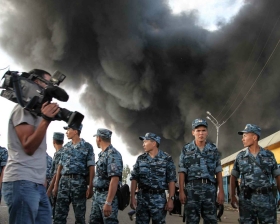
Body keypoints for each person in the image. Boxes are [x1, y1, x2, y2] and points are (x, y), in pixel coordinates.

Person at [1, 69, 60, 224]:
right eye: (46, 84)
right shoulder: (23, 108)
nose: (48, 91)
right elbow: (28, 146)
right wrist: (46, 120)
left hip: (36, 184)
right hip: (22, 181)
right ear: (34, 82)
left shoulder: (36, 112)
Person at [230, 124, 280, 223]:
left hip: (266, 200)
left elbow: (278, 176)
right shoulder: (240, 157)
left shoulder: (269, 155)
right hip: (246, 201)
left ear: (254, 137)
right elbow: (233, 177)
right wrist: (232, 196)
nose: (242, 139)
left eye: (245, 136)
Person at [178, 118, 224, 224]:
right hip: (191, 190)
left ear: (207, 132)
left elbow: (218, 171)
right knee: (192, 221)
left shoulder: (213, 149)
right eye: (198, 130)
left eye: (203, 130)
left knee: (211, 220)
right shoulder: (186, 149)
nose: (201, 133)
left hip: (210, 190)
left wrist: (221, 190)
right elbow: (182, 171)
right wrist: (181, 190)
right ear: (193, 132)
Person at [130, 132, 177, 224]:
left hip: (159, 199)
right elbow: (134, 178)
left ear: (154, 143)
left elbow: (171, 180)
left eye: (145, 142)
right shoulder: (140, 159)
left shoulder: (166, 158)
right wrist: (132, 197)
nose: (143, 144)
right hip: (142, 198)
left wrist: (171, 199)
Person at [53, 124, 95, 224]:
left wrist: (90, 186)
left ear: (76, 131)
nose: (66, 132)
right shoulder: (66, 147)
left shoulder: (87, 147)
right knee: (59, 216)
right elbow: (60, 167)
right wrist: (56, 185)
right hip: (64, 183)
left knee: (80, 217)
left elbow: (91, 168)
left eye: (68, 129)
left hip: (79, 184)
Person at [89, 128, 123, 224]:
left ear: (99, 138)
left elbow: (115, 179)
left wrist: (108, 202)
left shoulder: (113, 154)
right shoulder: (103, 154)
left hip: (106, 196)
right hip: (98, 195)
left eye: (96, 138)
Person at [46, 132, 64, 217]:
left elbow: (57, 173)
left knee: (55, 213)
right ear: (62, 141)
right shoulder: (59, 153)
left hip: (56, 187)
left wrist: (49, 189)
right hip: (59, 186)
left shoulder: (59, 154)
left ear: (53, 141)